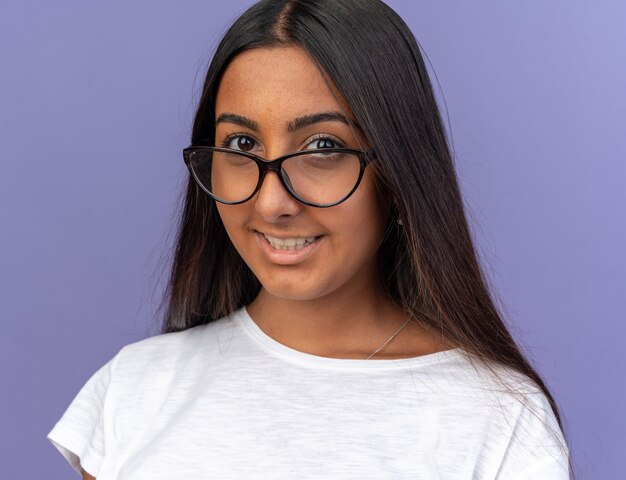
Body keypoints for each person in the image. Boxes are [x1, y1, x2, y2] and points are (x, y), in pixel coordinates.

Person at [47, 1, 572, 478]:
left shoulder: (501, 420)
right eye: (241, 143)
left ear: (396, 171)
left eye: (322, 145)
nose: (272, 202)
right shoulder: (134, 391)